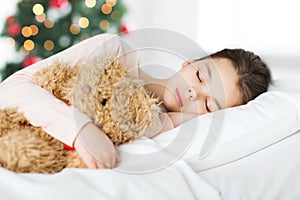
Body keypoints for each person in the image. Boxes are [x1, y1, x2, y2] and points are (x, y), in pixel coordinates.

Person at [0, 34, 271, 170]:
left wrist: (188, 118)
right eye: (200, 76)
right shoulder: (115, 51)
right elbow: (12, 88)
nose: (193, 94)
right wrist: (80, 129)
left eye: (209, 104)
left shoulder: (161, 128)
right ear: (188, 62)